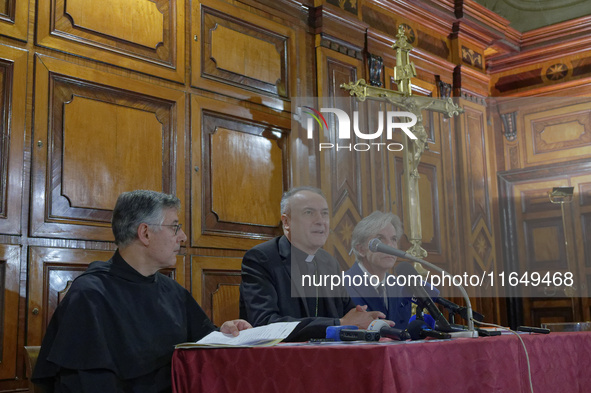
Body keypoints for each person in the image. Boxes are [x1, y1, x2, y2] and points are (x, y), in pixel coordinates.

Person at [32, 190, 251, 393]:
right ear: (145, 233)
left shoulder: (172, 290)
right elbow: (87, 384)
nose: (182, 236)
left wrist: (225, 333)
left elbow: (202, 349)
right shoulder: (90, 295)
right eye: (175, 227)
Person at [239, 186, 389, 341]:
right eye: (309, 213)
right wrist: (338, 323)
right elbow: (265, 323)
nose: (320, 221)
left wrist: (368, 321)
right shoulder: (261, 258)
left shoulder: (329, 263)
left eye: (324, 213)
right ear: (287, 222)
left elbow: (348, 313)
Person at [345, 211, 413, 330]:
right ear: (361, 249)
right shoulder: (341, 285)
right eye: (380, 239)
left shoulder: (400, 287)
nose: (390, 246)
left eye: (393, 239)